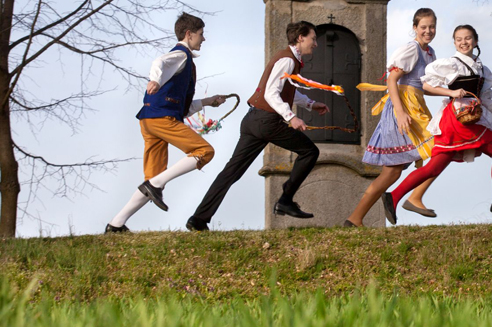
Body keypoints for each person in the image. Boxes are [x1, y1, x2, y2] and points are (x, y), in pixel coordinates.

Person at [185, 21, 329, 231]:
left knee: (231, 172)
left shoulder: (289, 59)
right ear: (300, 38)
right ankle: (285, 200)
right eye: (313, 39)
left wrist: (310, 104)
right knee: (310, 151)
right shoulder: (287, 61)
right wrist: (291, 118)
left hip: (253, 120)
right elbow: (271, 93)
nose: (315, 44)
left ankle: (198, 219)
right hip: (266, 121)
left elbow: (286, 91)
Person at [381, 24, 492, 225]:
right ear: (454, 42)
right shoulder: (451, 64)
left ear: (475, 41)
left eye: (467, 38)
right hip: (458, 120)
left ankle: (394, 196)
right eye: (459, 39)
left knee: (434, 167)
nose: (463, 42)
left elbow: (486, 99)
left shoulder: (482, 69)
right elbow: (426, 85)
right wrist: (451, 93)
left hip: (470, 117)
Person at [105, 12, 228, 233]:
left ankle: (115, 225)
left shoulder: (184, 62)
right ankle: (155, 185)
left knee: (152, 178)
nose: (204, 39)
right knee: (204, 151)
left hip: (150, 119)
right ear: (189, 34)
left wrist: (209, 101)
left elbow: (182, 108)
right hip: (161, 119)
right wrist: (154, 79)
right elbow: (158, 62)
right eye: (201, 34)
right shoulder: (181, 55)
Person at [345, 8, 440, 227]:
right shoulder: (411, 49)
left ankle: (354, 219)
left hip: (416, 107)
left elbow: (424, 87)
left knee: (392, 172)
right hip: (403, 108)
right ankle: (414, 198)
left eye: (431, 26)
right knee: (440, 150)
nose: (428, 31)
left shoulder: (430, 53)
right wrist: (400, 112)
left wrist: (452, 93)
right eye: (423, 27)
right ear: (415, 28)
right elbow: (392, 80)